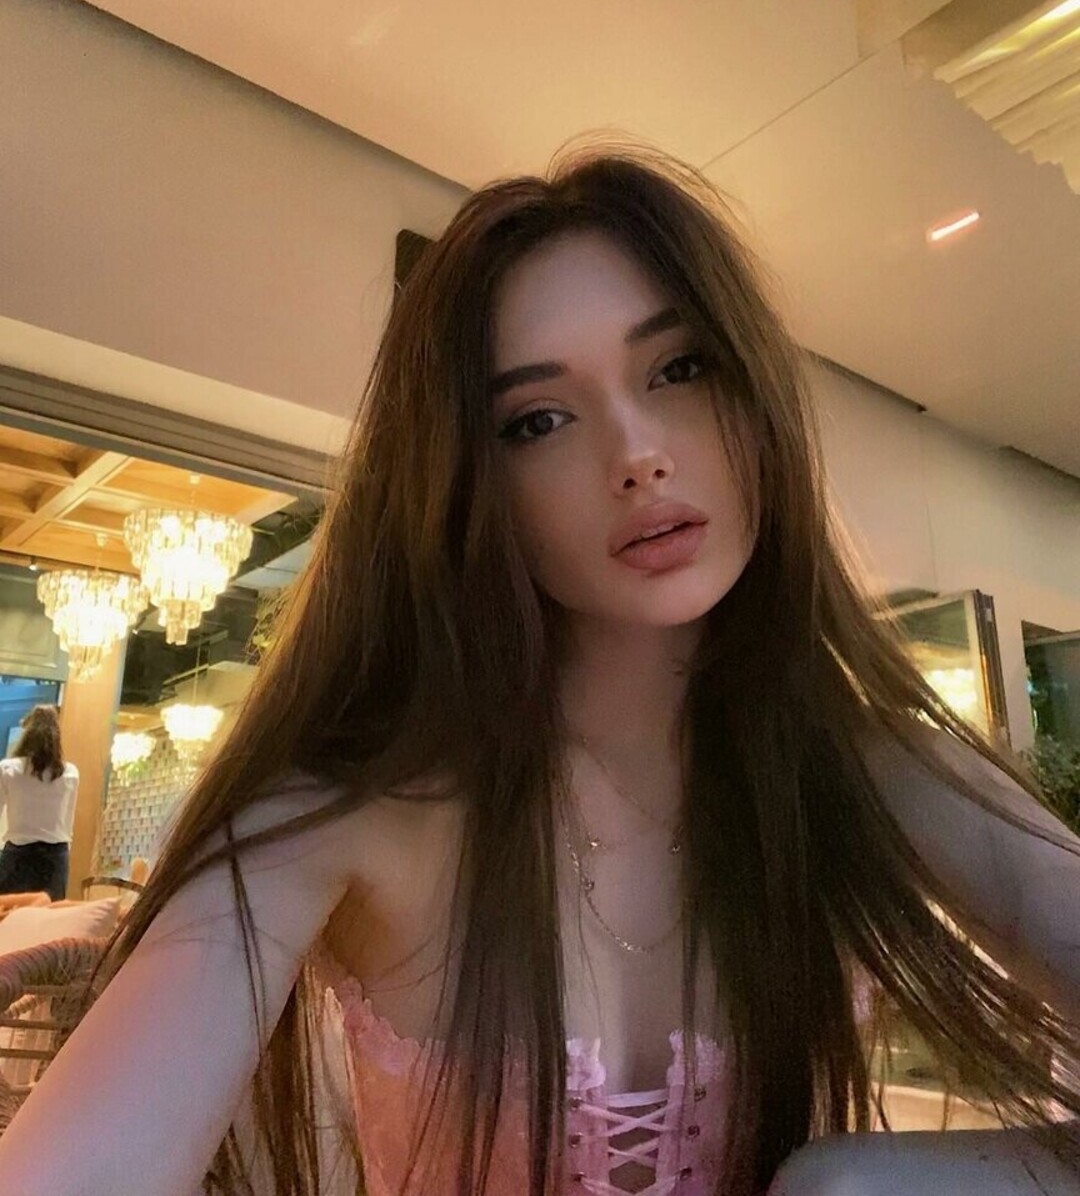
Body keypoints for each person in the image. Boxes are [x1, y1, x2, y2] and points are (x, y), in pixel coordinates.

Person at [0, 146, 1078, 1196]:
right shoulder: (360, 809)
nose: (637, 453)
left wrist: (855, 1177)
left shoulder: (874, 775)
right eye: (540, 420)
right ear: (469, 482)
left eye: (680, 368)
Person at [0, 704, 79, 902]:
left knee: (8, 913)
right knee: (49, 916)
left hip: (17, 855)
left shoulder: (8, 769)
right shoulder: (70, 773)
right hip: (56, 857)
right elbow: (67, 822)